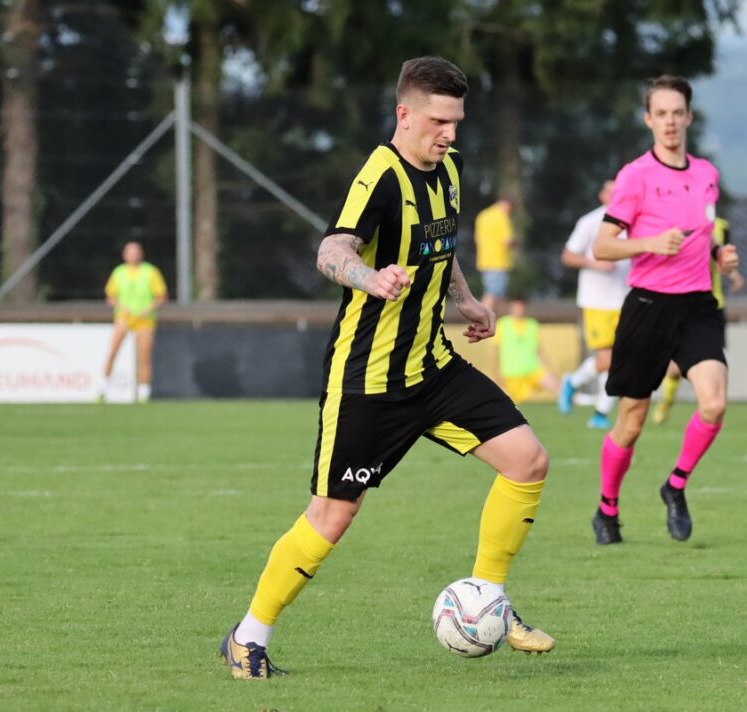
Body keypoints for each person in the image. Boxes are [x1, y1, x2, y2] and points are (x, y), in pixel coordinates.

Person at [219, 56, 554, 680]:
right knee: (332, 517)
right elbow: (331, 249)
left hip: (434, 367)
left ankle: (489, 599)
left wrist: (466, 300)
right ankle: (247, 636)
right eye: (438, 122)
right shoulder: (378, 177)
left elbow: (440, 244)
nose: (449, 134)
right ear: (404, 114)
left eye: (456, 122)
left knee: (528, 460)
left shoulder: (449, 170)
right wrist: (369, 278)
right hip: (368, 382)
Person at [588, 75, 739, 546]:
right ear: (648, 120)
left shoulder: (707, 174)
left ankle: (675, 485)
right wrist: (650, 243)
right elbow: (602, 246)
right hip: (648, 306)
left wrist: (720, 255)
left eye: (677, 113)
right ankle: (607, 508)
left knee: (714, 403)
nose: (670, 121)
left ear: (689, 117)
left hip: (697, 306)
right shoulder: (635, 176)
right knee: (631, 421)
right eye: (661, 113)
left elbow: (705, 234)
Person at [653, 216, 744, 425]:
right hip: (682, 303)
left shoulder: (721, 226)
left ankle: (708, 406)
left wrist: (732, 272)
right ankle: (666, 402)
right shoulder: (678, 220)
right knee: (674, 369)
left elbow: (721, 255)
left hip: (713, 306)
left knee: (712, 368)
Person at [558, 179, 631, 429]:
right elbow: (568, 255)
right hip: (597, 301)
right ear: (602, 195)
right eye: (611, 191)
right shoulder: (590, 221)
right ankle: (574, 382)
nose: (616, 195)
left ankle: (600, 412)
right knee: (609, 359)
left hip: (626, 300)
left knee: (622, 359)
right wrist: (595, 264)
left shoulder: (632, 222)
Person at [98, 241, 166, 403]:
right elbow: (111, 296)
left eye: (136, 252)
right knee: (113, 352)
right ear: (124, 255)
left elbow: (161, 296)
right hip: (124, 318)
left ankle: (143, 394)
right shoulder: (119, 272)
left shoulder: (150, 272)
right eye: (130, 252)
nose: (133, 255)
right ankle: (102, 388)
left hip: (144, 319)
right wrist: (121, 307)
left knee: (144, 357)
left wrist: (148, 309)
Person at [495, 294, 561, 403]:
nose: (519, 309)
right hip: (511, 374)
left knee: (557, 387)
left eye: (521, 306)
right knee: (503, 402)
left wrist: (549, 369)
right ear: (511, 307)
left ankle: (577, 400)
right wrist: (496, 373)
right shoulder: (502, 324)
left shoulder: (532, 324)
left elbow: (539, 350)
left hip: (532, 369)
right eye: (516, 306)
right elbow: (495, 351)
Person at [474, 197, 516, 314]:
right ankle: (484, 318)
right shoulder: (501, 217)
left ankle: (496, 319)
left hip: (484, 260)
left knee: (496, 293)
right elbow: (507, 241)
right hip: (498, 261)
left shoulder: (482, 216)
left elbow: (477, 239)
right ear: (507, 205)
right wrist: (515, 243)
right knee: (492, 293)